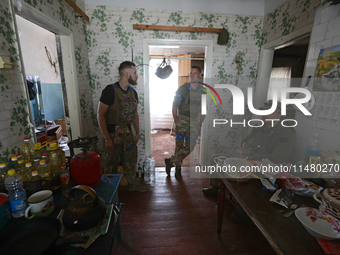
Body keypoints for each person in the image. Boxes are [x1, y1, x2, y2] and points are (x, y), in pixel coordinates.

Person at [202, 100, 296, 196]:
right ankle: (216, 187)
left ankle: (239, 205)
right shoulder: (258, 127)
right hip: (248, 159)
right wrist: (240, 150)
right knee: (215, 158)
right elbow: (246, 142)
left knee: (243, 173)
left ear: (279, 115)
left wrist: (252, 157)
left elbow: (281, 157)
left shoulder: (285, 133)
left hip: (265, 166)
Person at [97, 61, 149, 192]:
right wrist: (107, 138)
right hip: (112, 134)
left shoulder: (133, 92)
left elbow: (135, 115)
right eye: (135, 72)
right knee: (110, 163)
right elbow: (100, 115)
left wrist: (137, 133)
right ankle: (110, 188)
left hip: (128, 133)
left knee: (131, 160)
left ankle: (133, 184)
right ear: (127, 74)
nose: (137, 76)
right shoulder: (110, 91)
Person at [165, 66, 206, 178]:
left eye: (195, 73)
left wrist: (199, 124)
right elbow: (174, 106)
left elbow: (204, 110)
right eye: (191, 73)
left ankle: (170, 161)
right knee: (178, 146)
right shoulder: (183, 88)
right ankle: (178, 169)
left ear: (200, 75)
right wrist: (176, 121)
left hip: (194, 121)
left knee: (190, 146)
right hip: (182, 119)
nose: (192, 75)